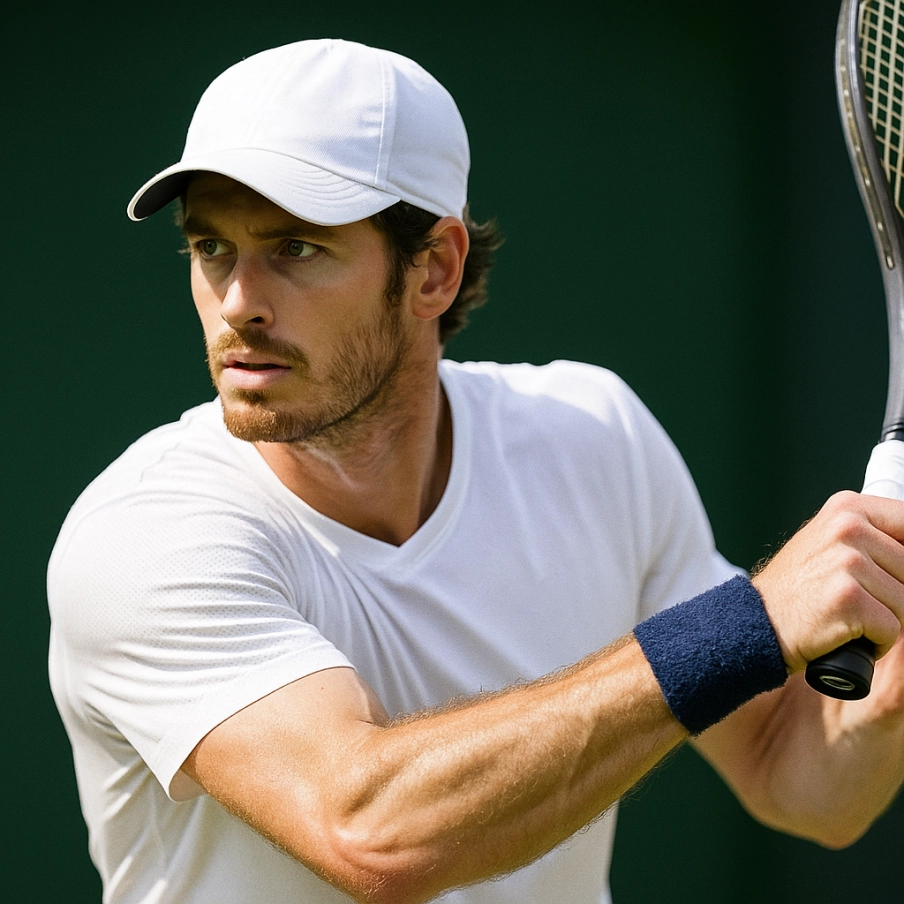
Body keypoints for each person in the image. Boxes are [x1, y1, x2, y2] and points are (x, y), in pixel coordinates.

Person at [47, 38, 904, 904]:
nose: (238, 302)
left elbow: (801, 779)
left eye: (296, 248)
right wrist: (745, 624)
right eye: (211, 247)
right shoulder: (144, 536)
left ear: (435, 270)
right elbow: (369, 833)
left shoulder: (592, 438)